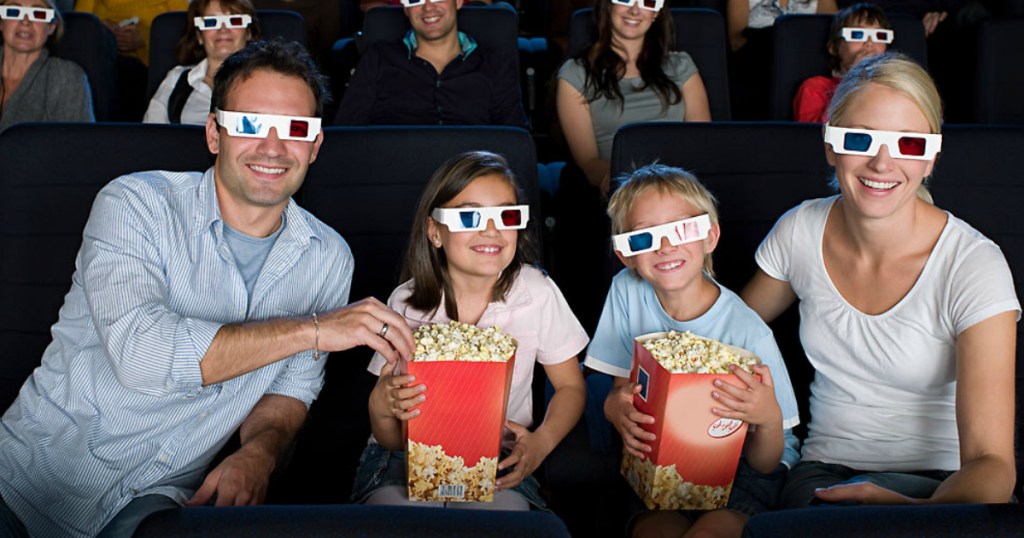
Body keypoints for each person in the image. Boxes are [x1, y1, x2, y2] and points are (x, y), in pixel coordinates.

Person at [0, 39, 415, 538]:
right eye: (249, 124)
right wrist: (314, 329)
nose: (273, 148)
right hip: (30, 478)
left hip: (161, 497)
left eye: (295, 129)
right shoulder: (134, 204)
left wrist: (259, 453)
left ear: (315, 145)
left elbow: (290, 388)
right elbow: (143, 356)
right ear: (215, 133)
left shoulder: (329, 256)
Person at [742, 53, 1019, 508]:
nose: (882, 163)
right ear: (830, 145)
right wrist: (626, 394)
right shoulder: (800, 230)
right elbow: (724, 331)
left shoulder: (973, 264)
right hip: (824, 473)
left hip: (944, 485)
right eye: (859, 138)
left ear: (930, 158)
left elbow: (992, 465)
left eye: (908, 143)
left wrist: (908, 514)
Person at [352, 151, 588, 510]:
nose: (491, 230)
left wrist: (541, 442)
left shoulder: (537, 292)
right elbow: (390, 437)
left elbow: (571, 386)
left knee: (498, 523)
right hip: (404, 455)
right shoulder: (406, 302)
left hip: (499, 456)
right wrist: (380, 407)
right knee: (399, 518)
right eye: (468, 216)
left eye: (506, 216)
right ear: (435, 231)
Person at [586, 164, 801, 537]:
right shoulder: (626, 289)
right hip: (659, 462)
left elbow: (766, 462)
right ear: (626, 255)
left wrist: (767, 417)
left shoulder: (748, 332)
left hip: (743, 470)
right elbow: (622, 389)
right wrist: (614, 408)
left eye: (682, 230)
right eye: (645, 237)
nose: (665, 247)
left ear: (709, 237)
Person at [557, 0, 711, 198]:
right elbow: (588, 164)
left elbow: (703, 146)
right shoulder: (576, 73)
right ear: (608, 6)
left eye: (648, 2)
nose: (635, 10)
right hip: (622, 192)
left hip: (683, 190)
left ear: (656, 13)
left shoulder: (682, 66)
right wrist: (638, 181)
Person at [334, 0, 526, 128]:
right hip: (393, 168)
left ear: (458, 1)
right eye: (415, 0)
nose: (427, 7)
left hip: (471, 172)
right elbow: (347, 131)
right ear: (405, 8)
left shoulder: (495, 63)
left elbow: (515, 138)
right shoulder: (379, 58)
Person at [143, 0, 261, 125]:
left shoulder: (268, 80)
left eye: (234, 20)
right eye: (211, 22)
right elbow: (152, 132)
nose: (223, 29)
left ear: (249, 33)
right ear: (199, 36)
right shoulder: (176, 79)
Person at [726, 0, 838, 119]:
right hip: (758, 64)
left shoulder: (823, 2)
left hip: (807, 65)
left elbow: (835, 41)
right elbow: (736, 44)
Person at [0, 0, 93, 133]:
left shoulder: (67, 78)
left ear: (51, 26)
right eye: (13, 12)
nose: (25, 21)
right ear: (1, 23)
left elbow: (79, 143)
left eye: (38, 13)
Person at [793, 3, 891, 123]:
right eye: (857, 34)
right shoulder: (815, 88)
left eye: (879, 35)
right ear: (834, 47)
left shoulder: (895, 87)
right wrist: (855, 79)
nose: (869, 43)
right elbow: (815, 131)